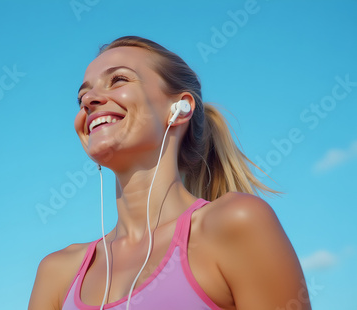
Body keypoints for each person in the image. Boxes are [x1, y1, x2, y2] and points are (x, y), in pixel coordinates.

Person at [29, 36, 311, 310]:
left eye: (118, 80)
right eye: (82, 96)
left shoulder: (235, 223)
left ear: (180, 109)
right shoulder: (57, 273)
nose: (89, 100)